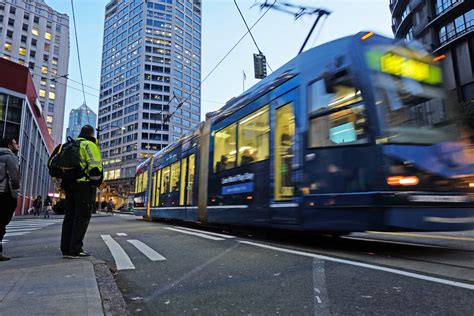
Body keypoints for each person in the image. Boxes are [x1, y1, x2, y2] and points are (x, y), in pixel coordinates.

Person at [61, 125, 103, 259]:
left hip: (69, 185)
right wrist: (95, 184)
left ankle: (66, 248)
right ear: (92, 134)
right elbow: (95, 168)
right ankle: (75, 249)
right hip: (84, 186)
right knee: (82, 217)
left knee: (69, 217)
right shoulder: (89, 145)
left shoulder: (71, 144)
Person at [0, 138, 20, 261]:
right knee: (1, 222)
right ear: (9, 145)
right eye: (15, 143)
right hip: (4, 194)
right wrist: (15, 194)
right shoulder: (10, 157)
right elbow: (15, 178)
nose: (17, 145)